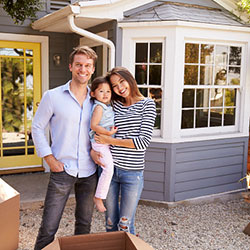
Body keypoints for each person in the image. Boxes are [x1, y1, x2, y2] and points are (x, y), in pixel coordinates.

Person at [31, 46, 98, 250]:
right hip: (62, 170)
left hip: (89, 171)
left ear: (93, 69)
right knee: (49, 227)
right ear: (71, 66)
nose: (83, 69)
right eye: (79, 64)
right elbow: (37, 126)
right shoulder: (53, 96)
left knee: (84, 225)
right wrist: (49, 158)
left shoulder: (97, 100)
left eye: (87, 65)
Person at [92, 67, 156, 235]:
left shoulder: (147, 105)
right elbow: (94, 121)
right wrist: (93, 151)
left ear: (130, 79)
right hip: (109, 170)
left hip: (132, 174)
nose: (119, 88)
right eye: (114, 86)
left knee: (125, 224)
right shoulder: (114, 104)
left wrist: (110, 140)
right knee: (110, 222)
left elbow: (142, 142)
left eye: (122, 81)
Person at [89, 76, 117, 212]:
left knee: (107, 168)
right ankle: (98, 197)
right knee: (108, 169)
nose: (105, 94)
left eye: (108, 91)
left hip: (104, 142)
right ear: (93, 93)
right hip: (100, 142)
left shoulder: (106, 106)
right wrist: (108, 134)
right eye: (101, 91)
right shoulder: (99, 108)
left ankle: (99, 196)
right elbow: (93, 125)